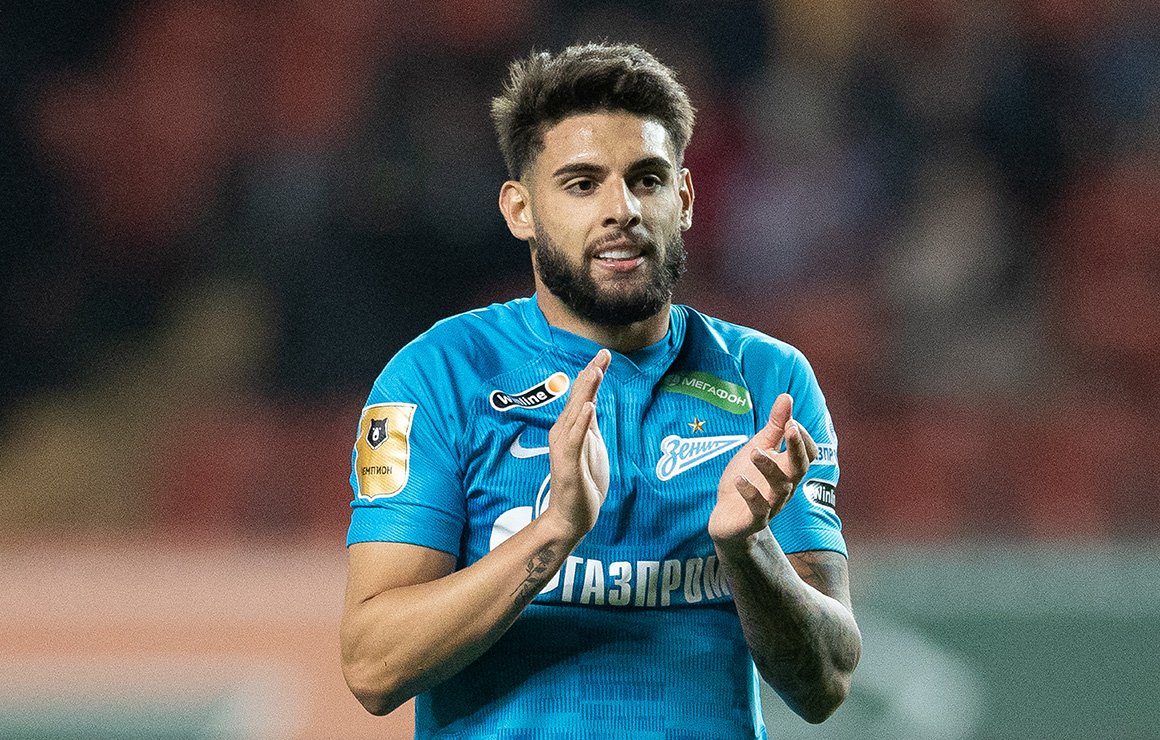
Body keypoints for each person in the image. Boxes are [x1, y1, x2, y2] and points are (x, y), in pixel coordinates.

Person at [340, 42, 861, 739]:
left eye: (646, 179)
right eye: (582, 184)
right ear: (521, 210)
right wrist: (553, 533)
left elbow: (826, 682)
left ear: (684, 198)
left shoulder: (769, 382)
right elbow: (373, 666)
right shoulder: (438, 378)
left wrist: (749, 549)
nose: (623, 209)